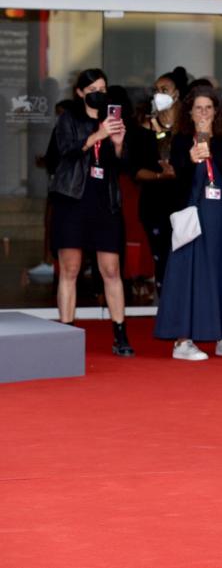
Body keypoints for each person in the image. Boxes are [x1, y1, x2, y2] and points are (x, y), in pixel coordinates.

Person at [153, 86, 222, 360]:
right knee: (189, 273)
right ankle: (183, 341)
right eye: (198, 108)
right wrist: (191, 159)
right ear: (189, 113)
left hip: (221, 215)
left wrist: (211, 143)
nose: (204, 113)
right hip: (192, 214)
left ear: (217, 111)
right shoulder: (181, 140)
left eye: (209, 108)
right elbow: (177, 179)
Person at [49, 68, 133, 356]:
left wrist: (119, 145)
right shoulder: (68, 119)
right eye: (93, 88)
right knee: (70, 268)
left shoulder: (114, 121)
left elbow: (124, 166)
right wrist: (97, 135)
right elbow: (64, 153)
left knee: (111, 269)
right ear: (80, 92)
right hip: (73, 200)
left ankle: (120, 334)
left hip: (104, 202)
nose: (99, 92)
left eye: (103, 87)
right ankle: (66, 334)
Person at [129, 72, 181, 298]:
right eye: (156, 90)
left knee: (180, 257)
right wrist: (160, 177)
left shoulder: (185, 129)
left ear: (176, 94)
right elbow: (136, 170)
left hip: (182, 203)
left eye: (165, 90)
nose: (159, 95)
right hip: (154, 205)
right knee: (161, 256)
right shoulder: (143, 129)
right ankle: (165, 304)